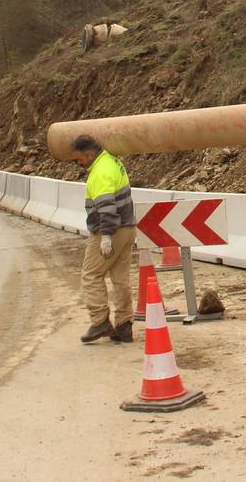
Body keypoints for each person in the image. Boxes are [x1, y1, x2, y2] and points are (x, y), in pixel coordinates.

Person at [71, 134, 137, 343]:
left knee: (91, 275)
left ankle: (100, 322)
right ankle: (124, 325)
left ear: (90, 154)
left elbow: (107, 208)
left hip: (110, 230)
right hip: (127, 227)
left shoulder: (100, 173)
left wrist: (106, 237)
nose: (77, 163)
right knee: (120, 279)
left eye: (78, 159)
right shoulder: (112, 161)